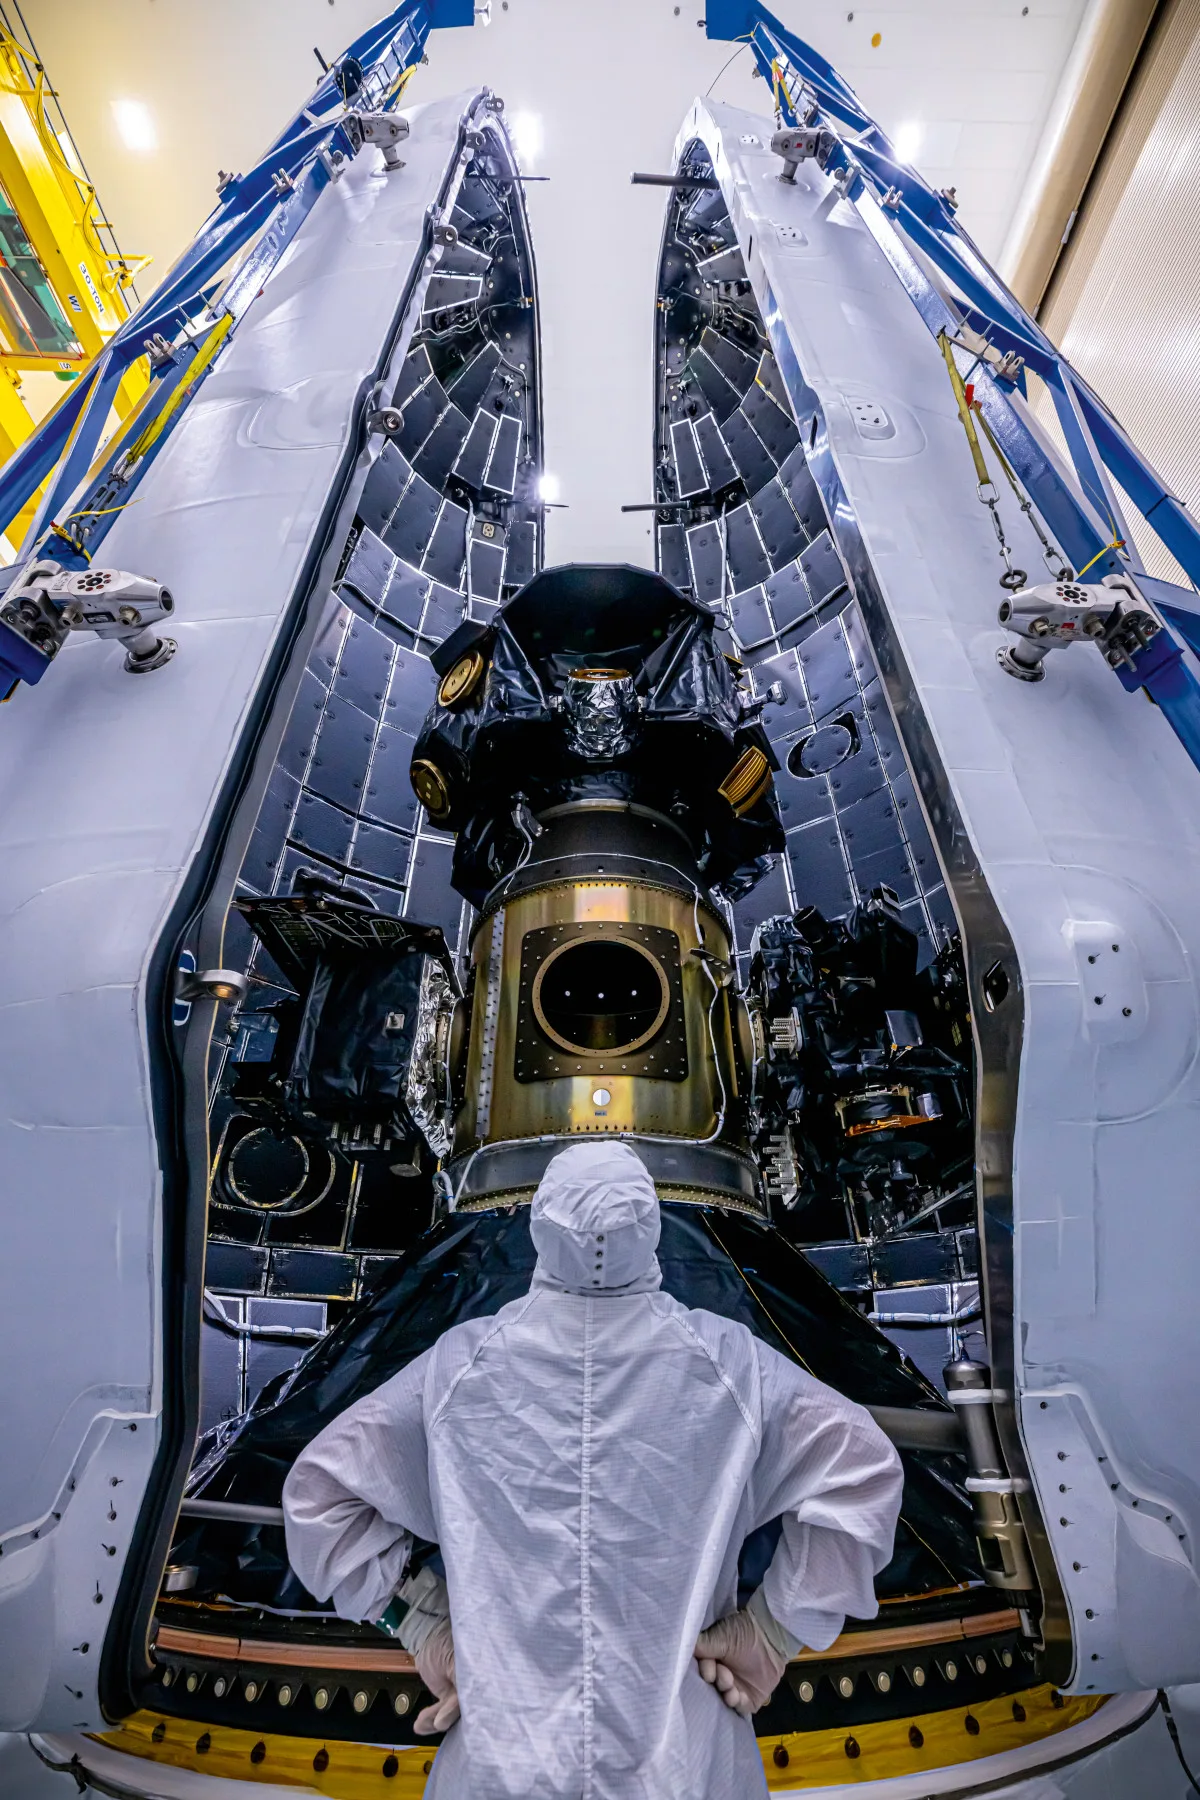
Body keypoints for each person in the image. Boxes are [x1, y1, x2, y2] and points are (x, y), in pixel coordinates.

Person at [283, 1140, 903, 1798]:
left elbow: (322, 1497)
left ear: (539, 1230)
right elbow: (860, 1472)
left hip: (499, 1774)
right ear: (654, 1231)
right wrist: (772, 1631)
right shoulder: (731, 1364)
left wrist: (419, 1623)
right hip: (686, 1773)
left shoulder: (457, 1370)